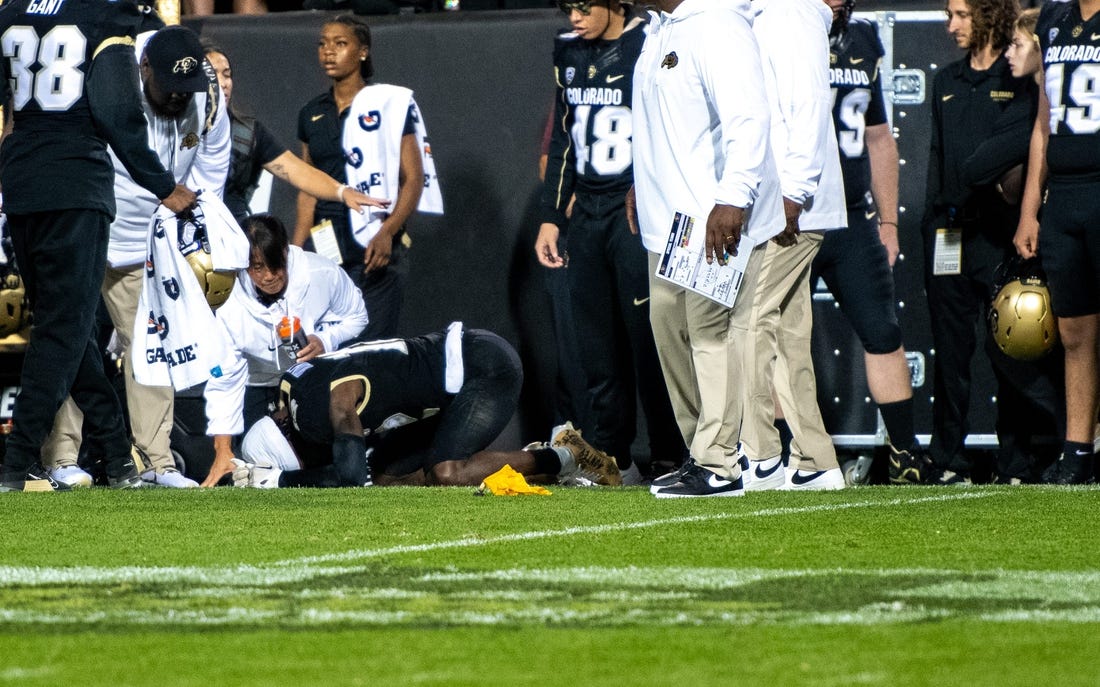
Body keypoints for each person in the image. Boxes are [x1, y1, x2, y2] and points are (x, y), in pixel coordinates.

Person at [0, 0, 196, 492]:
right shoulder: (105, 17)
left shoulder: (10, 12)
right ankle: (16, 460)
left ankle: (115, 453)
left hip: (22, 180)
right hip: (75, 184)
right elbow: (116, 111)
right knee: (62, 331)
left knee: (68, 326)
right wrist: (163, 184)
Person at [42, 24, 231, 489]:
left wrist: (197, 232)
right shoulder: (107, 76)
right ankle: (62, 459)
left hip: (147, 248)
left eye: (185, 90)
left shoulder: (204, 94)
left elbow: (213, 162)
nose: (178, 99)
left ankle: (156, 463)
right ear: (144, 68)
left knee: (152, 351)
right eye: (169, 88)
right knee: (71, 346)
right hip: (88, 230)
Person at [629, 0, 785, 498]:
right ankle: (706, 451)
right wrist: (640, 183)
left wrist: (734, 198)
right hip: (666, 225)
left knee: (709, 334)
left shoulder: (718, 22)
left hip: (708, 218)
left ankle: (719, 463)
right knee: (668, 331)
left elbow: (749, 118)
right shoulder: (658, 31)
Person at [534, 0, 685, 485]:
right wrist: (552, 215)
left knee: (649, 338)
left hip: (634, 208)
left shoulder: (648, 42)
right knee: (596, 344)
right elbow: (563, 139)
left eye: (584, 6)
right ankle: (615, 457)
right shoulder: (568, 53)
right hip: (589, 211)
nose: (574, 17)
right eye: (568, 8)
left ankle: (670, 453)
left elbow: (670, 126)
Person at [230, 325, 622, 488]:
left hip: (482, 368)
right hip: (452, 371)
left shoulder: (314, 412)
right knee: (387, 477)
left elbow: (349, 475)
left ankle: (567, 457)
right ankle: (538, 458)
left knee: (446, 472)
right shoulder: (292, 387)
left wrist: (283, 481)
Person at [804, 0, 934, 485]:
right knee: (776, 341)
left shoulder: (861, 40)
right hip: (796, 215)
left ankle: (905, 454)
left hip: (852, 215)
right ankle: (777, 455)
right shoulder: (780, 29)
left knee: (883, 332)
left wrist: (889, 223)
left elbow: (879, 138)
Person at [923, 0, 1038, 485]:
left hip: (999, 236)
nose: (951, 26)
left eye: (961, 15)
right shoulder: (946, 80)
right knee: (949, 353)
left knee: (1009, 350)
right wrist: (929, 223)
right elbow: (935, 156)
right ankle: (948, 458)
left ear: (988, 15)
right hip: (948, 234)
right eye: (950, 14)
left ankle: (1016, 461)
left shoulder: (1016, 80)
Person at [737, 0, 849, 492]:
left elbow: (806, 107)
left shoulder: (793, 14)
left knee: (747, 318)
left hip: (790, 206)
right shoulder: (770, 14)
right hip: (781, 201)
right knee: (787, 333)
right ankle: (814, 461)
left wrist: (793, 194)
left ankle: (757, 456)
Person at [200, 214, 372, 486]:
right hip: (255, 383)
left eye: (275, 264)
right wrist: (222, 451)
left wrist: (325, 339)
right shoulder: (228, 301)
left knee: (317, 459)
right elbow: (225, 379)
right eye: (257, 267)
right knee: (253, 465)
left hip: (310, 379)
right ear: (243, 264)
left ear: (285, 251)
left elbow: (358, 316)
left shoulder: (321, 273)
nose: (268, 276)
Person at [296, 15, 424, 340]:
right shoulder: (311, 112)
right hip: (327, 249)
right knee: (329, 354)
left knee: (371, 355)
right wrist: (295, 252)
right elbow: (307, 187)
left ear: (363, 51)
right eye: (323, 44)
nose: (328, 52)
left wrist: (387, 232)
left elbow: (413, 178)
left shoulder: (390, 105)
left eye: (340, 44)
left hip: (375, 250)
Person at [1014, 0, 1100, 484]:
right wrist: (1030, 210)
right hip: (1065, 194)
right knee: (1073, 333)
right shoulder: (1052, 17)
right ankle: (1077, 453)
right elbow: (1044, 123)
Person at [203, 42, 384, 225]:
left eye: (226, 75)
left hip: (233, 235)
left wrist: (342, 192)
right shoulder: (177, 130)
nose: (223, 83)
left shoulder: (248, 133)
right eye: (212, 75)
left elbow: (300, 172)